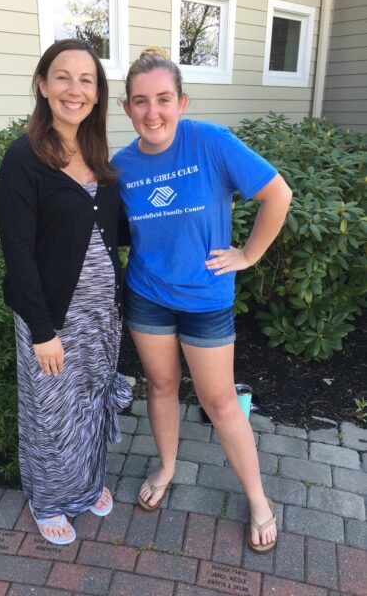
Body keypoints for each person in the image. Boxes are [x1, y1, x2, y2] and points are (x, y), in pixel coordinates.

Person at [112, 47, 292, 553]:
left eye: (164, 99)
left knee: (219, 402)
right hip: (147, 297)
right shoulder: (121, 166)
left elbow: (278, 195)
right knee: (162, 385)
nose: (153, 112)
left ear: (182, 101)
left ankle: (258, 498)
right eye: (141, 102)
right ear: (127, 108)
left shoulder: (210, 142)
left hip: (206, 297)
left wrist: (248, 255)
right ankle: (167, 466)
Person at [0, 39, 131, 546]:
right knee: (51, 413)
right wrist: (42, 330)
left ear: (97, 95)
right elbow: (18, 252)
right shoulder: (23, 159)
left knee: (91, 403)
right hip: (51, 318)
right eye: (63, 77)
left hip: (102, 314)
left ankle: (87, 483)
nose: (75, 89)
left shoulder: (97, 154)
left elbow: (114, 231)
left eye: (87, 80)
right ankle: (49, 499)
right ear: (42, 85)